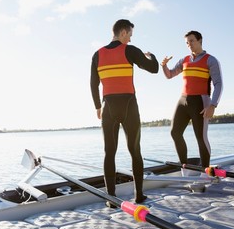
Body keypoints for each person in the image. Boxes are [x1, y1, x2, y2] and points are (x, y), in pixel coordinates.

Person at [90, 19, 159, 207]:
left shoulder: (97, 54)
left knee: (109, 153)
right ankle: (139, 196)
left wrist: (98, 106)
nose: (129, 39)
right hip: (129, 106)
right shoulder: (130, 50)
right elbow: (153, 69)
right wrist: (152, 56)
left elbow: (93, 83)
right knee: (135, 151)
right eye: (129, 35)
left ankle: (111, 199)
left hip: (108, 107)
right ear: (122, 33)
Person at [161, 30, 223, 172]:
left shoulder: (210, 60)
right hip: (183, 100)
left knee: (201, 137)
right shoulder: (184, 60)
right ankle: (185, 168)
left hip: (201, 102)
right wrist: (163, 66)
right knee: (175, 132)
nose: (189, 44)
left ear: (200, 40)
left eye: (192, 41)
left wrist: (213, 105)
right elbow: (170, 75)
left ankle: (205, 172)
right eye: (187, 42)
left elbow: (218, 84)